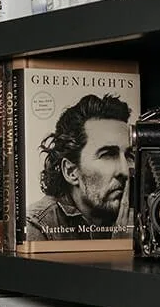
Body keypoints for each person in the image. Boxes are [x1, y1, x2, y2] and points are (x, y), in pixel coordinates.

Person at [25, 93, 133, 241]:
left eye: (129, 155)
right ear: (71, 172)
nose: (126, 171)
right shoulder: (37, 227)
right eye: (108, 155)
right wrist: (120, 246)